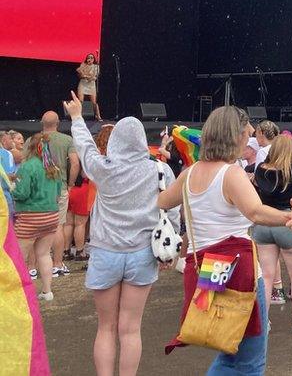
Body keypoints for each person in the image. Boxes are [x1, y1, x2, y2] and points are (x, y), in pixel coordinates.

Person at [159, 106, 292, 373]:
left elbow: (161, 200)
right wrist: (289, 218)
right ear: (234, 135)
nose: (249, 137)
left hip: (207, 272)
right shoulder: (231, 173)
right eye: (246, 132)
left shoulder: (189, 174)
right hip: (237, 272)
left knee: (231, 351)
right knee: (250, 359)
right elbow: (255, 211)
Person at [65, 92, 178, 376]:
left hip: (106, 252)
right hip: (142, 254)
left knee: (105, 327)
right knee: (130, 329)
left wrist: (78, 117)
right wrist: (171, 246)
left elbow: (87, 148)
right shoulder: (160, 170)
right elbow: (173, 209)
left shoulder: (103, 170)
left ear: (115, 142)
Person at [251, 135, 292, 334]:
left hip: (263, 224)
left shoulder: (261, 169)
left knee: (267, 275)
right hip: (288, 222)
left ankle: (263, 321)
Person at [13, 132, 62, 301]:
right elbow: (57, 193)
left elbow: (22, 193)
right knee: (44, 254)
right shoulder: (53, 168)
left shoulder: (27, 166)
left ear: (31, 147)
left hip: (29, 217)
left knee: (18, 257)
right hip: (51, 216)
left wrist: (13, 189)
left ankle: (19, 294)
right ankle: (47, 291)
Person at [39, 110, 80, 276]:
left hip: (38, 190)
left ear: (42, 123)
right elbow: (75, 164)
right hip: (59, 187)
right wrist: (70, 184)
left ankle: (34, 267)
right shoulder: (67, 140)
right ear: (58, 124)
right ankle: (57, 263)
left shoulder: (33, 140)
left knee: (38, 227)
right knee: (57, 226)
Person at [77, 53, 103, 121]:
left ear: (94, 59)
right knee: (80, 101)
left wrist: (86, 76)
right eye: (88, 58)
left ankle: (98, 116)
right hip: (83, 84)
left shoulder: (96, 67)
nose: (90, 59)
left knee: (94, 102)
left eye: (91, 58)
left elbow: (94, 77)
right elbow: (80, 74)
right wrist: (85, 75)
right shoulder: (83, 65)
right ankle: (78, 116)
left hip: (91, 85)